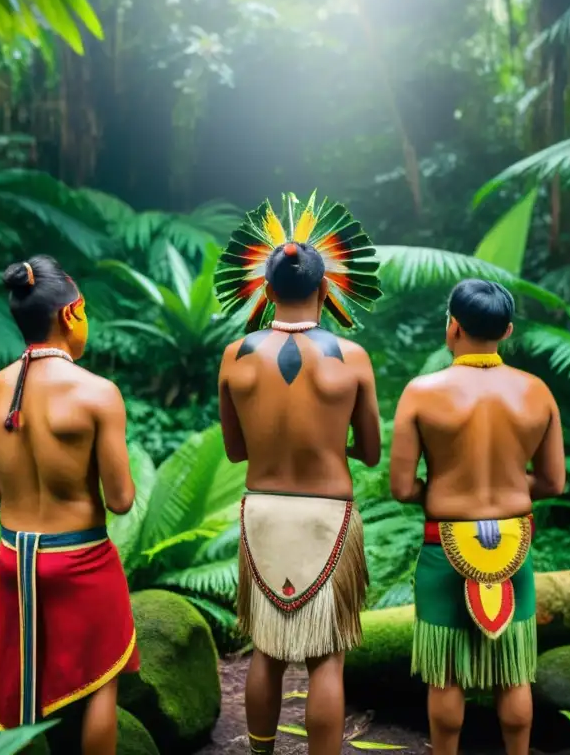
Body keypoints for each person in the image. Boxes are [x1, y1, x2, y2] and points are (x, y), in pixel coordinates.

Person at [215, 192, 383, 755]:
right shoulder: (352, 357)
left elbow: (235, 452)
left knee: (266, 649)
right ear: (326, 288)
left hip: (262, 512)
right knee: (327, 655)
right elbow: (372, 449)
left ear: (264, 290)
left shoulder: (235, 355)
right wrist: (339, 445)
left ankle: (260, 751)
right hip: (327, 514)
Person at [0, 256, 138, 752]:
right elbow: (123, 500)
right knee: (100, 684)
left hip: (13, 559)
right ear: (70, 314)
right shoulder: (97, 394)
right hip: (80, 559)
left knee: (22, 684)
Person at [389, 278, 565, 755]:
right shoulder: (536, 392)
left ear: (453, 327)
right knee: (513, 670)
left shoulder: (422, 393)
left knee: (445, 674)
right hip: (513, 544)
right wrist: (508, 482)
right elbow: (552, 483)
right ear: (506, 330)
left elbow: (402, 487)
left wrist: (451, 484)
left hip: (444, 542)